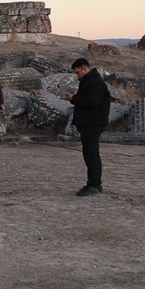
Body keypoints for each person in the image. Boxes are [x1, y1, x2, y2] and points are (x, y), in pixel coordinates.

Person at [65, 57, 110, 196]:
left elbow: (92, 102)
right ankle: (94, 183)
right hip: (89, 124)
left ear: (84, 69)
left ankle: (94, 185)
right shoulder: (89, 81)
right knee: (90, 154)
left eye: (77, 72)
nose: (77, 75)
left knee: (91, 154)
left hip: (93, 124)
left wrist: (74, 98)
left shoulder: (95, 82)